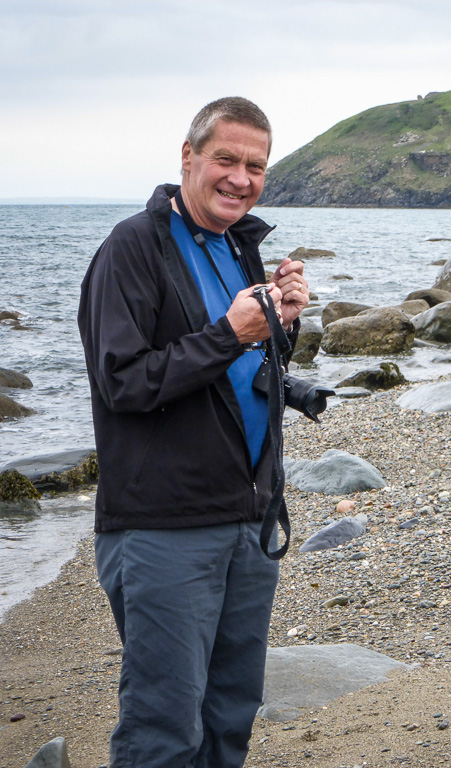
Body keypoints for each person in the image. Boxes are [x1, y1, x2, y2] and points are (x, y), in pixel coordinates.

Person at [78, 96, 309, 768]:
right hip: (163, 528)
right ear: (189, 157)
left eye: (256, 166)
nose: (242, 178)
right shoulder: (132, 247)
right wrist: (228, 333)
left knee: (231, 715)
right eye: (227, 160)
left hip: (248, 520)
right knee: (164, 728)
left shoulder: (237, 247)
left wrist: (280, 325)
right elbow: (121, 381)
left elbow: (238, 372)